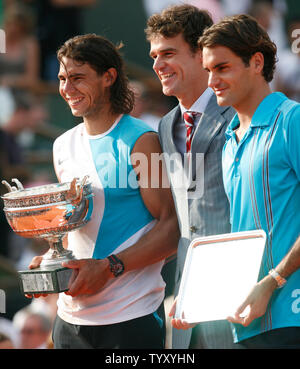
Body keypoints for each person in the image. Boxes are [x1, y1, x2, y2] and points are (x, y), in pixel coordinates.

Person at [28, 33, 179, 349]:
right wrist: (53, 261)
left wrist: (111, 267)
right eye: (62, 79)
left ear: (108, 77)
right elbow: (75, 230)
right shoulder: (62, 145)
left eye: (78, 78)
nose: (67, 89)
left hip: (131, 317)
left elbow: (170, 229)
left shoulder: (142, 141)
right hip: (69, 321)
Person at [199, 13, 300, 348]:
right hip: (246, 323)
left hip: (292, 319)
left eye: (222, 67)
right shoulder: (229, 141)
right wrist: (201, 302)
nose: (211, 80)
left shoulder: (293, 121)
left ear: (257, 63)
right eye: (208, 71)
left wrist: (273, 281)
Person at [145, 4, 236, 349]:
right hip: (189, 305)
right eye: (154, 56)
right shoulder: (166, 126)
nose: (157, 65)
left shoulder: (241, 111)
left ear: (202, 54)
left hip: (241, 298)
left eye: (168, 53)